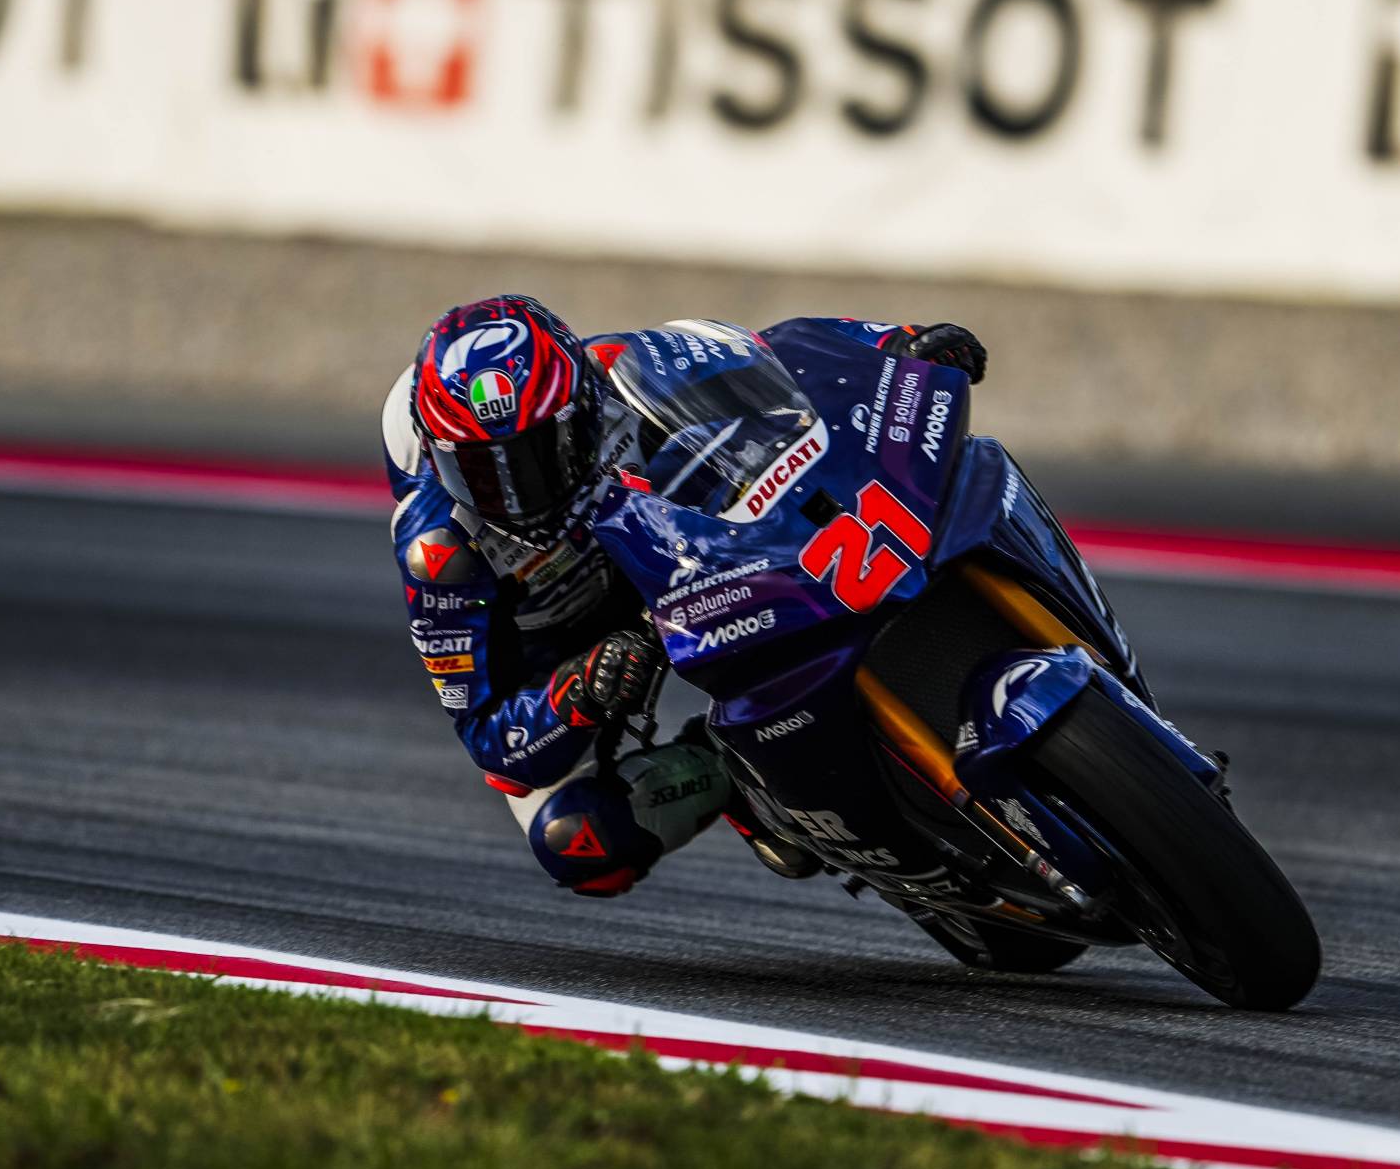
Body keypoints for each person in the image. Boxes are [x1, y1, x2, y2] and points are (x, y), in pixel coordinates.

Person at [382, 294, 989, 897]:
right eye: (480, 471)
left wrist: (894, 343)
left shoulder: (623, 368)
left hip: (681, 561)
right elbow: (494, 744)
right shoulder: (439, 552)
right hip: (572, 654)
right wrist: (581, 690)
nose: (516, 494)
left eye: (536, 455)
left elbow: (782, 353)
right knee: (581, 841)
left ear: (582, 405)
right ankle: (730, 773)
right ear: (436, 455)